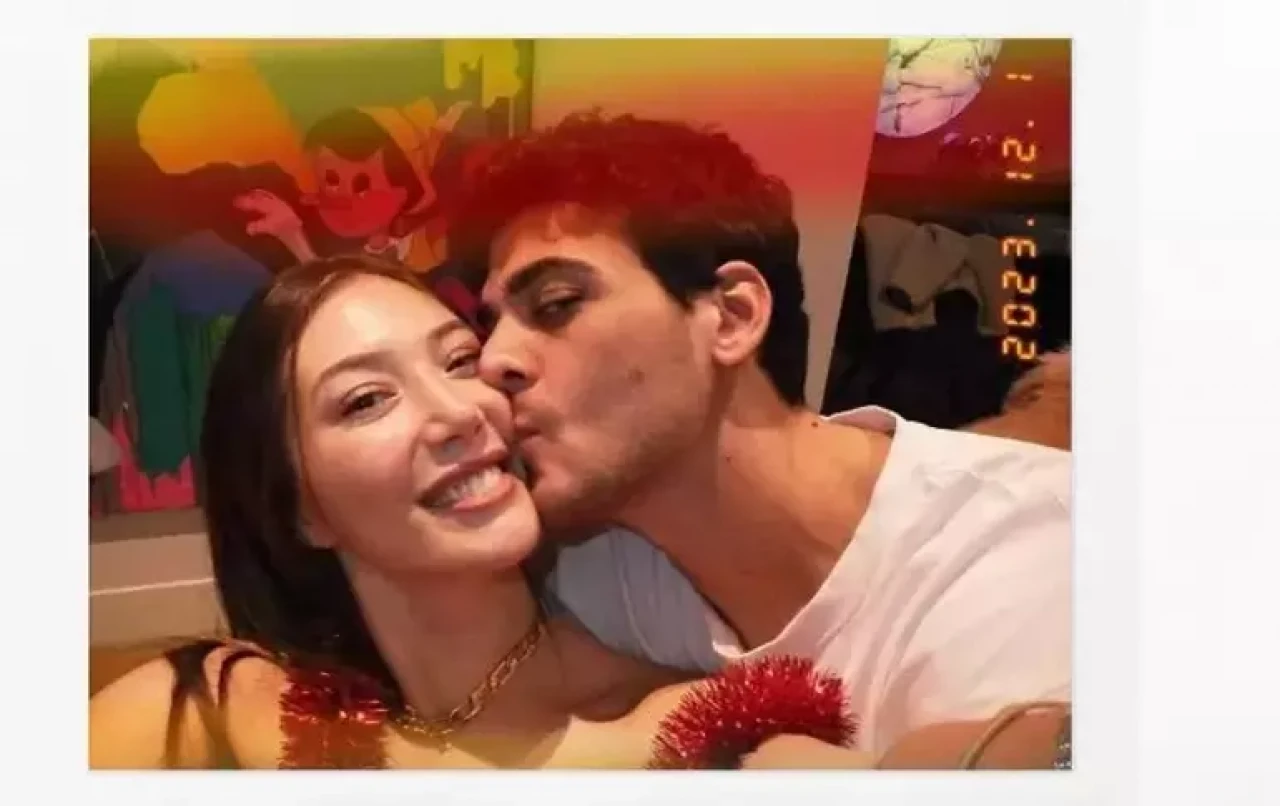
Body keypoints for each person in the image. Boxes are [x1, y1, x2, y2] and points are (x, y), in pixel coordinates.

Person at [449, 111, 1073, 763]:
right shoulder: (596, 567)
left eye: (556, 304)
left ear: (732, 316)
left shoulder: (1021, 573)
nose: (493, 363)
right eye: (490, 328)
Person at [89, 254, 714, 769]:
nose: (459, 412)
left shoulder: (687, 732)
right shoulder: (212, 711)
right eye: (366, 400)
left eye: (461, 362)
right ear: (300, 510)